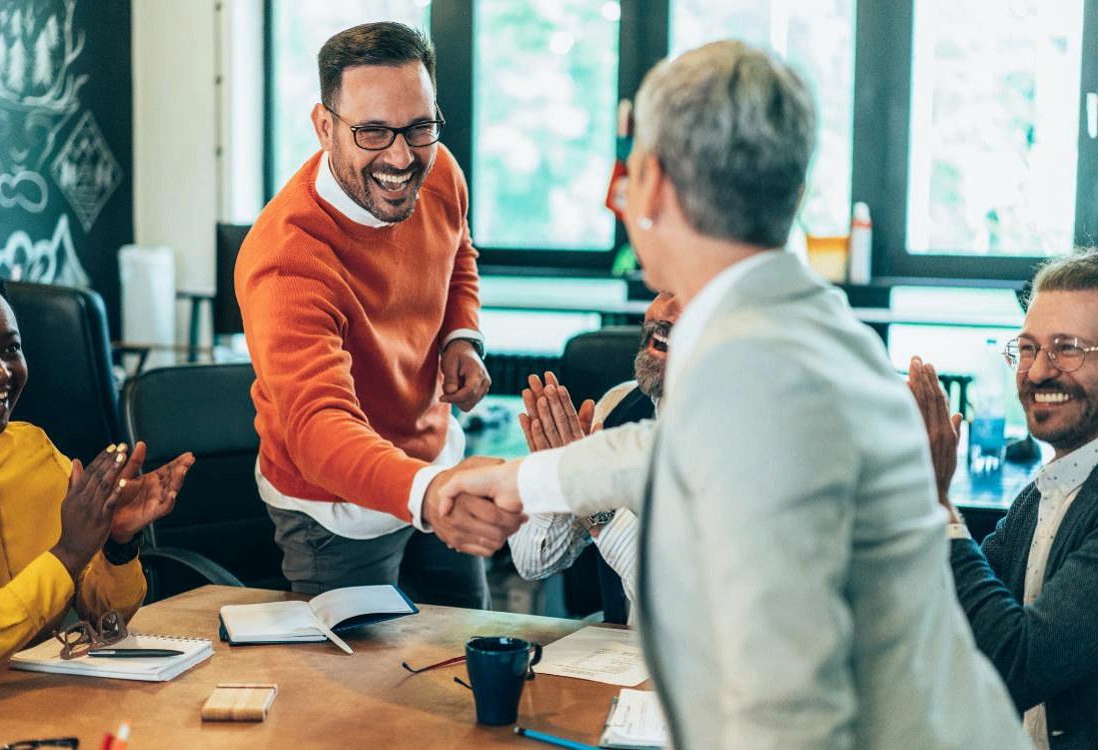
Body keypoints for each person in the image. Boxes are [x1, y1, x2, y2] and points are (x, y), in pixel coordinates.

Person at [439, 40, 1028, 748]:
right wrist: (516, 479)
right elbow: (670, 449)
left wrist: (511, 481)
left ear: (650, 184)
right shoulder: (796, 323)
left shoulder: (755, 356)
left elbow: (786, 709)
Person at [234, 22, 522, 608]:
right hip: (335, 510)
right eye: (371, 131)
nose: (400, 156)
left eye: (419, 126)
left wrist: (461, 338)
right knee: (361, 693)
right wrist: (429, 491)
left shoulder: (436, 171)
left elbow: (456, 249)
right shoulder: (286, 261)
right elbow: (318, 432)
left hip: (433, 460)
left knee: (462, 656)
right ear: (324, 127)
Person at [909, 248, 1098, 750]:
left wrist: (938, 503)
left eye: (1068, 348)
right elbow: (958, 612)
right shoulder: (1043, 493)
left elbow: (1018, 661)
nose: (1037, 373)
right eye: (1030, 348)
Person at [0, 262, 194, 680]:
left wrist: (117, 543)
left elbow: (103, 613)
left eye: (11, 349)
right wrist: (67, 556)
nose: (0, 371)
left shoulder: (31, 449)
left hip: (49, 700)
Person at [509, 291, 682, 624]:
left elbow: (674, 604)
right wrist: (554, 475)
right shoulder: (617, 404)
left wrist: (594, 500)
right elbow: (533, 563)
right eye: (665, 290)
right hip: (617, 653)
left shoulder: (743, 439)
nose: (666, 313)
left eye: (691, 297)